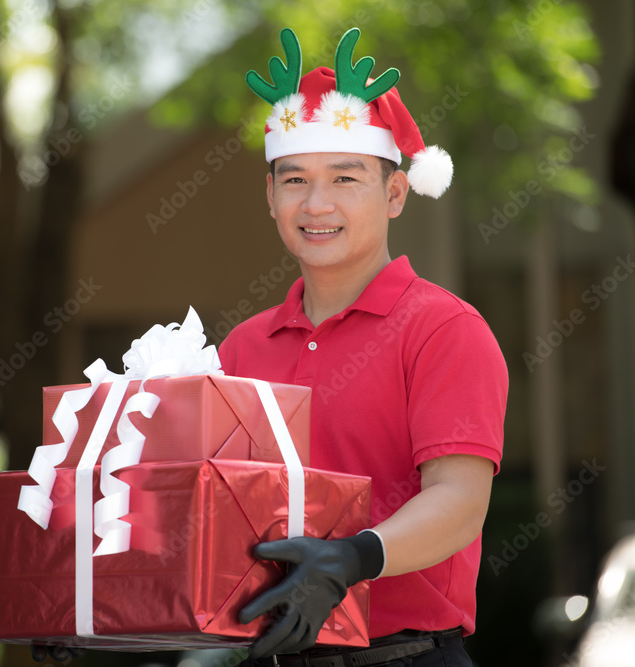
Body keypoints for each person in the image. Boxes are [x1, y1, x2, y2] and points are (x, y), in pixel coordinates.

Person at [218, 27, 509, 666]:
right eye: (294, 180)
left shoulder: (445, 329)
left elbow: (460, 503)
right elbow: (206, 516)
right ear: (270, 197)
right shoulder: (241, 348)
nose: (316, 203)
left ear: (396, 193)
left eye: (345, 178)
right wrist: (98, 612)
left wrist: (354, 559)